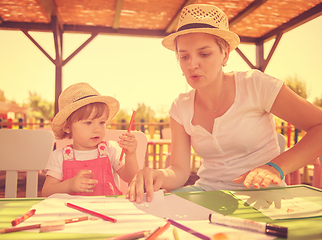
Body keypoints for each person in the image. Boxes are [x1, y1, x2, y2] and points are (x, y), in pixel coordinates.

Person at [126, 4, 322, 203]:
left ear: (225, 54)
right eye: (184, 56)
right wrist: (159, 175)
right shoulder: (180, 107)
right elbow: (179, 171)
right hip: (208, 193)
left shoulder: (256, 85)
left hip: (263, 197)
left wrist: (276, 167)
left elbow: (319, 126)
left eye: (204, 54)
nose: (191, 64)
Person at [42, 82, 139, 196]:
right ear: (67, 127)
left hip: (107, 210)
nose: (97, 129)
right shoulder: (59, 157)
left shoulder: (110, 150)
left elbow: (130, 177)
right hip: (73, 213)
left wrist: (131, 154)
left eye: (102, 122)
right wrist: (69, 185)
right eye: (88, 122)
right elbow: (46, 192)